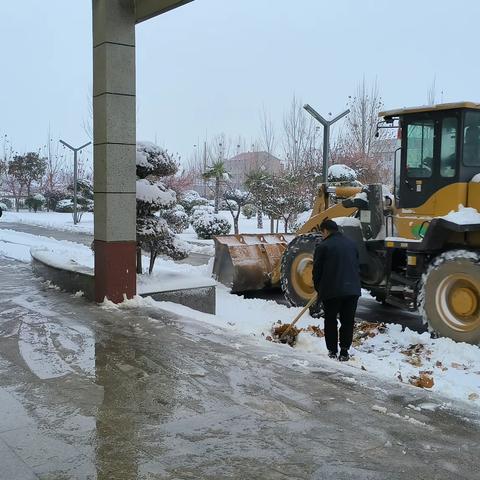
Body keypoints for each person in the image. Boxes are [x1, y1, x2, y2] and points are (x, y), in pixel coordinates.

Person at [312, 219, 361, 361]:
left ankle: (332, 351)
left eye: (322, 233)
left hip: (331, 291)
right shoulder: (352, 244)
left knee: (331, 321)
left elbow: (317, 271)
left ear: (325, 231)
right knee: (347, 321)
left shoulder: (323, 246)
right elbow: (357, 266)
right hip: (352, 290)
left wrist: (319, 289)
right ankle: (345, 351)